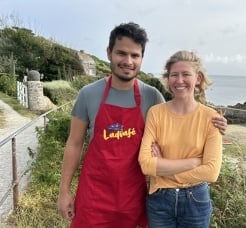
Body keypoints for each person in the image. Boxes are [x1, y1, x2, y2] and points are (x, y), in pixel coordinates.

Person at [57, 22, 227, 227]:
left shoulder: (152, 97)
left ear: (141, 58)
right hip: (94, 196)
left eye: (135, 55)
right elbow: (74, 144)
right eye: (121, 53)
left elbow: (176, 126)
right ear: (109, 53)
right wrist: (64, 191)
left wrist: (216, 123)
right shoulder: (88, 94)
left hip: (133, 198)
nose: (128, 61)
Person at [138, 50, 223, 228]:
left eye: (186, 74)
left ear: (198, 78)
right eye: (174, 75)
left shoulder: (211, 117)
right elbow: (146, 164)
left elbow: (211, 172)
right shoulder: (156, 113)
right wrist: (194, 162)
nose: (179, 80)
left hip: (196, 201)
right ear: (168, 79)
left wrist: (161, 166)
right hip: (159, 199)